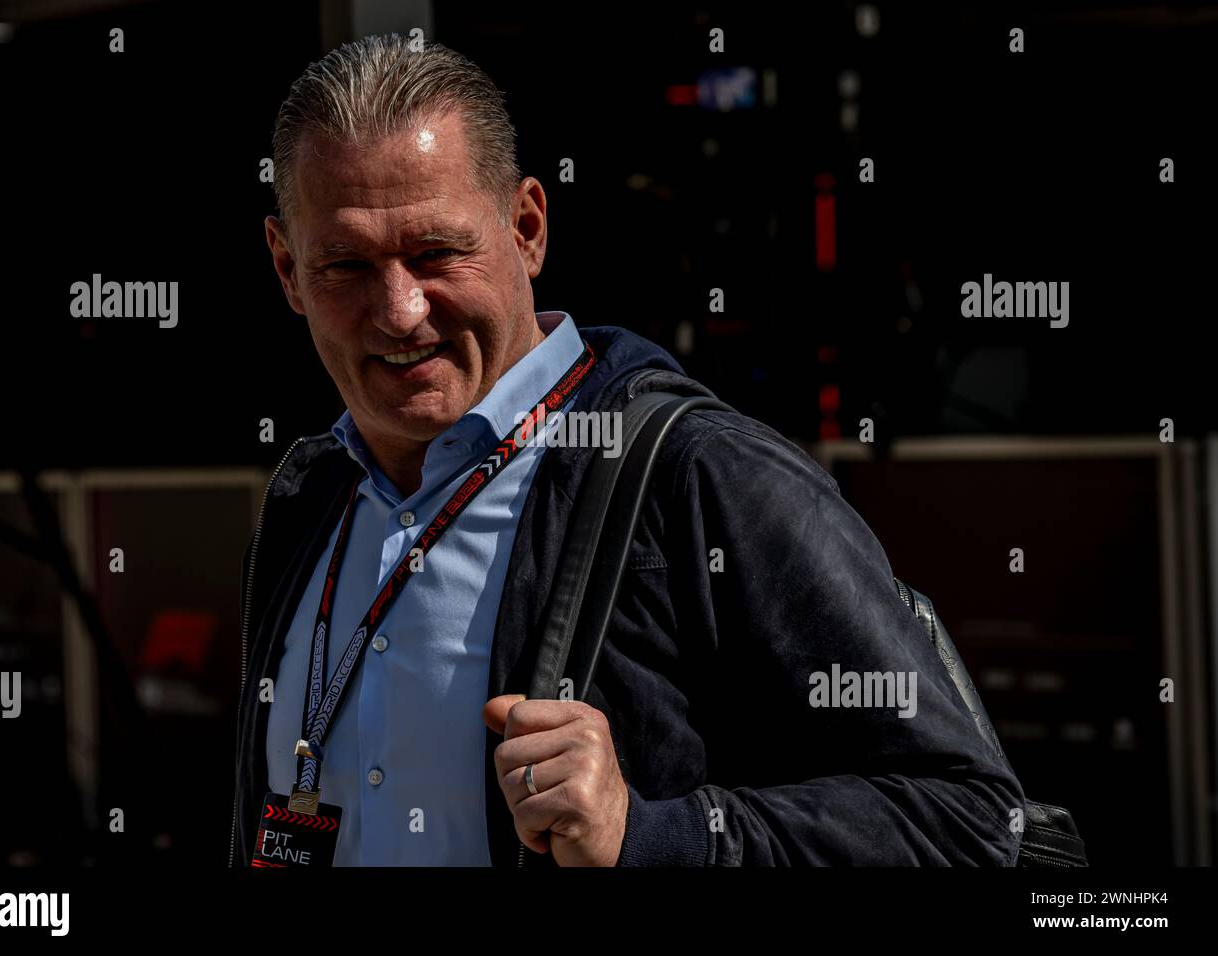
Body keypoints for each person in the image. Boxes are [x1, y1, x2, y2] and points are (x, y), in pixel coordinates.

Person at [231, 33, 1024, 867]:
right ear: (286, 268)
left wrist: (649, 835)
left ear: (527, 228)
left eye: (437, 254)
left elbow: (967, 822)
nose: (397, 310)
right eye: (345, 266)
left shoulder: (703, 477)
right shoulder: (307, 502)